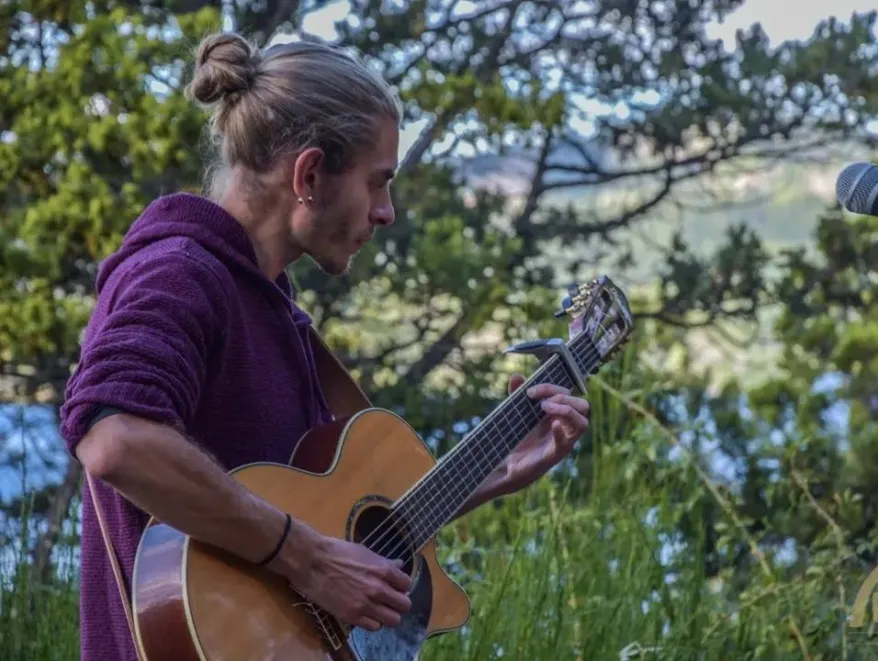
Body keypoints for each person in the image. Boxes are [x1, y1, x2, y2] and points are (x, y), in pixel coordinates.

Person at [58, 30, 590, 661]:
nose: (387, 211)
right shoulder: (181, 273)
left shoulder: (270, 304)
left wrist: (497, 473)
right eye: (377, 182)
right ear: (309, 174)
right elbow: (115, 437)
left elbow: (328, 520)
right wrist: (307, 561)